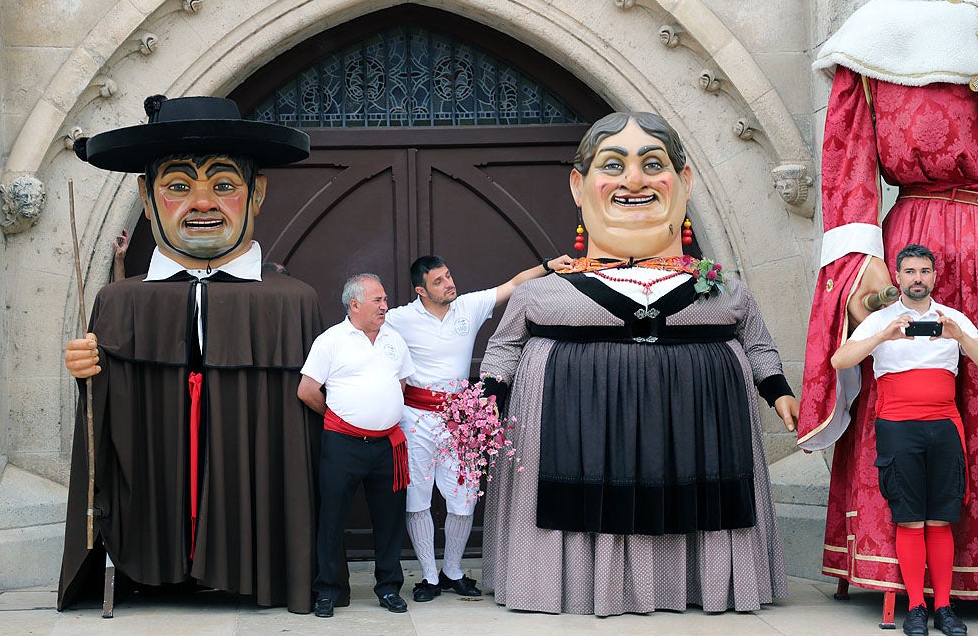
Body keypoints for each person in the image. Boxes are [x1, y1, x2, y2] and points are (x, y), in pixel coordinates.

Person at [477, 111, 798, 616]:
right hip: (572, 427)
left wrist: (778, 391)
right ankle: (573, 586)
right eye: (614, 165)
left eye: (653, 163)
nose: (633, 180)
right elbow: (503, 348)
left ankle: (702, 583)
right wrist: (486, 404)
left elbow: (757, 342)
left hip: (698, 428)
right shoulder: (540, 293)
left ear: (684, 181)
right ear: (579, 186)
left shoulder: (725, 289)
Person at [59, 95, 343, 614]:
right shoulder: (119, 300)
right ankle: (159, 566)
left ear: (256, 193)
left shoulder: (292, 300)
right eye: (178, 186)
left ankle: (254, 567)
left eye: (224, 185)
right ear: (148, 198)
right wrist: (90, 372)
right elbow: (105, 415)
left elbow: (308, 413)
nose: (204, 202)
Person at [798, 0, 978, 605]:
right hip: (923, 237)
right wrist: (858, 261)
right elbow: (847, 168)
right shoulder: (883, 31)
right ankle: (912, 579)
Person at [384, 252, 571, 602]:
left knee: (463, 500)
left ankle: (453, 571)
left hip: (462, 418)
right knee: (418, 500)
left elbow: (514, 285)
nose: (449, 283)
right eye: (438, 281)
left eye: (448, 275)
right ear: (420, 290)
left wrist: (548, 267)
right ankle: (428, 576)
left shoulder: (468, 307)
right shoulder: (399, 319)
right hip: (415, 419)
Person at [831, 244, 976, 636]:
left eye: (924, 271)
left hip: (944, 427)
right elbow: (839, 360)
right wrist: (883, 336)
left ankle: (944, 608)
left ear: (934, 276)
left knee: (941, 519)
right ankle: (915, 607)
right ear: (898, 276)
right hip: (897, 428)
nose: (917, 278)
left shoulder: (953, 318)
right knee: (910, 520)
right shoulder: (882, 320)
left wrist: (959, 334)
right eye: (910, 271)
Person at [297, 274, 415, 619]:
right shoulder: (331, 341)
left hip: (387, 446)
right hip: (343, 445)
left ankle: (389, 587)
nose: (385, 305)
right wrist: (343, 419)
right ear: (355, 304)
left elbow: (402, 384)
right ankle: (327, 592)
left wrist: (379, 410)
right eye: (377, 300)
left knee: (390, 520)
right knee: (332, 519)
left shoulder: (394, 338)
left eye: (385, 299)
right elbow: (307, 390)